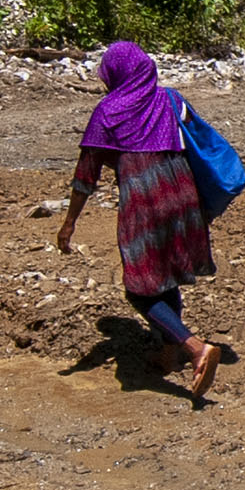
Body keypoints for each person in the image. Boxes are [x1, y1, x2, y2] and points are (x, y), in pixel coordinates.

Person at [56, 38, 223, 402]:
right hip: (181, 192)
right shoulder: (170, 99)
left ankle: (194, 347)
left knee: (138, 288)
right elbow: (202, 139)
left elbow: (86, 175)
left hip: (143, 198)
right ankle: (167, 351)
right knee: (164, 274)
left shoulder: (107, 111)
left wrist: (69, 222)